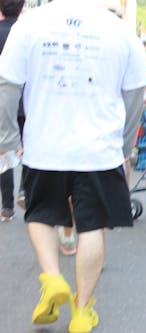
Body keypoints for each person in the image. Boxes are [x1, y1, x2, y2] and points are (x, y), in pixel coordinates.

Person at [0, 1, 146, 333]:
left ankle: (52, 279)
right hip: (99, 149)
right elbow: (137, 92)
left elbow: (6, 84)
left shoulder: (30, 24)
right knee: (92, 226)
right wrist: (124, 145)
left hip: (44, 144)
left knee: (39, 214)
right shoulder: (120, 29)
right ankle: (82, 311)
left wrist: (7, 136)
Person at [0, 0, 24, 222]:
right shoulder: (27, 32)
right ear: (22, 7)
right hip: (26, 101)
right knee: (31, 146)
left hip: (2, 99)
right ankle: (26, 190)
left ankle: (7, 207)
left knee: (4, 149)